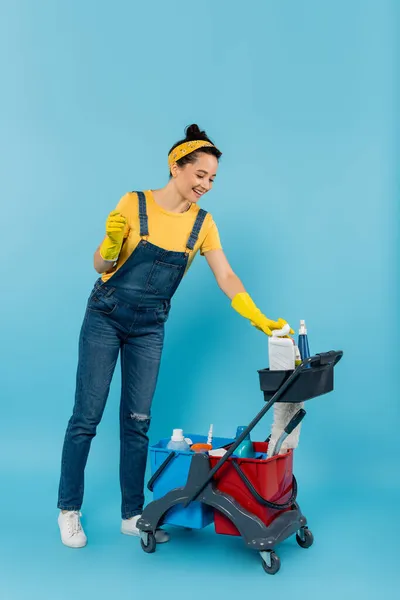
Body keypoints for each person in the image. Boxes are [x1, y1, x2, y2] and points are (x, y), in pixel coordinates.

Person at [57, 124, 292, 548]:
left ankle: (132, 514)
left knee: (137, 422)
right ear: (176, 167)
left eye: (212, 179)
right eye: (200, 174)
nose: (206, 184)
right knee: (85, 419)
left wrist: (257, 316)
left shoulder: (203, 224)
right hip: (105, 316)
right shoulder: (135, 204)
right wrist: (111, 245)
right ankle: (69, 510)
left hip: (149, 326)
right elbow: (100, 264)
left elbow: (226, 275)